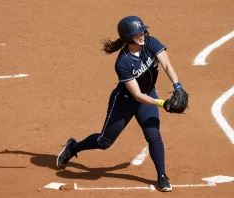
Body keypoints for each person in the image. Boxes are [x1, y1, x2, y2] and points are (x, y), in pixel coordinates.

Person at [56, 16, 187, 192]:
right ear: (127, 37)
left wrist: (177, 86)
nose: (142, 35)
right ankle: (73, 147)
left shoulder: (151, 42)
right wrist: (163, 103)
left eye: (142, 31)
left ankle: (162, 176)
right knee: (104, 142)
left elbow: (167, 65)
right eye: (137, 33)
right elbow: (137, 95)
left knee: (153, 135)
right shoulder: (123, 62)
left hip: (148, 95)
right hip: (125, 101)